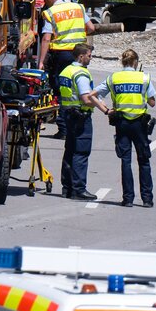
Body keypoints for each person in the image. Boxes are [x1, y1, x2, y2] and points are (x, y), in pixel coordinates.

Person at [37, 0, 96, 138]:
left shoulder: (50, 13)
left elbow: (46, 39)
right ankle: (79, 123)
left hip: (62, 55)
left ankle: (64, 129)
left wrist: (41, 61)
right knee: (79, 87)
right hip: (79, 53)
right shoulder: (78, 7)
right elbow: (91, 28)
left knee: (62, 91)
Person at [104, 49, 156, 208]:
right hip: (139, 124)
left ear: (122, 61)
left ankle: (128, 199)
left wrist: (107, 110)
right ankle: (147, 199)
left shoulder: (114, 77)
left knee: (125, 161)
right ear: (136, 62)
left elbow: (95, 94)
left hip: (122, 123)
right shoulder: (144, 77)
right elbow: (153, 102)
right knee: (144, 160)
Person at [58, 43, 109, 200]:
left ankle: (67, 187)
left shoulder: (66, 71)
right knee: (81, 152)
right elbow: (86, 99)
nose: (90, 58)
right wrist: (103, 107)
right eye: (89, 55)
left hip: (68, 113)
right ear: (81, 56)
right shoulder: (80, 74)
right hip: (81, 116)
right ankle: (79, 189)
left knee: (70, 150)